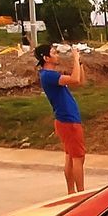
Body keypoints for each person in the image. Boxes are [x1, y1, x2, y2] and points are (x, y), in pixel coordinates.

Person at [35, 42, 87, 193]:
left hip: (66, 120)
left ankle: (71, 193)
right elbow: (75, 79)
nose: (57, 55)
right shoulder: (49, 76)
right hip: (68, 120)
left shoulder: (50, 76)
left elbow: (80, 81)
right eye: (54, 53)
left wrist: (79, 62)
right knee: (78, 158)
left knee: (71, 157)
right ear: (46, 58)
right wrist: (75, 59)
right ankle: (80, 194)